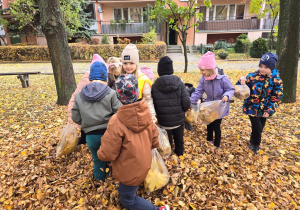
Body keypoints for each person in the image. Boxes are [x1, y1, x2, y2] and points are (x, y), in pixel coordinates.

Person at [97, 74, 170, 210]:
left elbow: (108, 153)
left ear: (118, 96)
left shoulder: (116, 121)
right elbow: (155, 141)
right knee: (133, 183)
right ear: (137, 92)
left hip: (129, 168)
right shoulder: (146, 112)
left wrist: (100, 154)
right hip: (144, 161)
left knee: (127, 200)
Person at [72, 61, 122, 181]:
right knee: (114, 158)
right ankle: (115, 180)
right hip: (109, 134)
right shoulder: (111, 93)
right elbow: (119, 112)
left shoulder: (79, 96)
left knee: (97, 160)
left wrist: (86, 121)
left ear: (90, 78)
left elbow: (75, 117)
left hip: (90, 136)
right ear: (105, 77)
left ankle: (99, 182)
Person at [236, 52, 283, 154]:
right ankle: (255, 145)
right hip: (252, 107)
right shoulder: (252, 76)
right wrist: (241, 82)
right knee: (257, 127)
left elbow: (277, 97)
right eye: (261, 66)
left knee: (260, 128)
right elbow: (241, 88)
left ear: (272, 67)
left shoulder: (276, 80)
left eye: (266, 67)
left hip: (265, 108)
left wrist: (269, 110)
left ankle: (253, 140)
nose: (262, 69)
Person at [190, 51, 235, 148]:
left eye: (203, 70)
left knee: (216, 125)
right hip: (209, 104)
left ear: (210, 69)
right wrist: (190, 102)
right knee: (209, 122)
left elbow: (230, 89)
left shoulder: (222, 78)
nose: (201, 73)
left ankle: (217, 144)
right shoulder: (203, 79)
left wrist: (226, 96)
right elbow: (198, 92)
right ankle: (209, 139)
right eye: (200, 70)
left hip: (220, 106)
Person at [151, 56, 190, 156]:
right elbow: (186, 102)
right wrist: (183, 110)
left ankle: (168, 155)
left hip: (164, 121)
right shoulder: (179, 83)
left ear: (159, 71)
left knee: (166, 141)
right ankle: (179, 154)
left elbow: (154, 103)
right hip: (178, 120)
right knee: (179, 140)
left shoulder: (155, 86)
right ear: (171, 70)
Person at [67, 54, 105, 145]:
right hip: (87, 112)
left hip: (96, 114)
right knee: (87, 129)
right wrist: (70, 115)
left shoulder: (103, 79)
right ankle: (84, 142)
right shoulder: (86, 79)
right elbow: (75, 96)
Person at [121, 44, 156, 120]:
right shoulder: (121, 79)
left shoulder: (143, 79)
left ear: (136, 64)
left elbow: (148, 99)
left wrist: (152, 114)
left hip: (139, 114)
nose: (128, 66)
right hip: (125, 114)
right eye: (125, 63)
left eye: (131, 63)